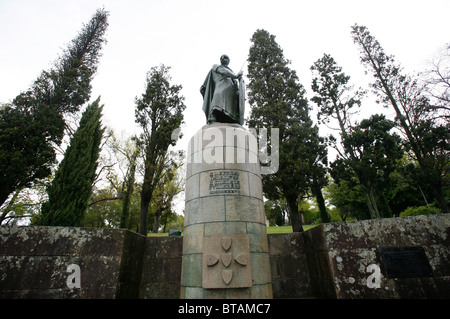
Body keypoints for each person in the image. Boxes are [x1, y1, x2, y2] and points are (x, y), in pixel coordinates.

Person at [200, 54, 244, 125]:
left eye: (226, 58)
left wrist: (238, 91)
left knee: (232, 105)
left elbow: (235, 83)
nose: (223, 59)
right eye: (222, 58)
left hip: (231, 91)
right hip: (220, 87)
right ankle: (213, 115)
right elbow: (222, 71)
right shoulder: (216, 66)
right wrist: (236, 76)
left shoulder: (231, 71)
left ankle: (231, 118)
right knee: (218, 98)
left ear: (228, 61)